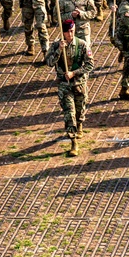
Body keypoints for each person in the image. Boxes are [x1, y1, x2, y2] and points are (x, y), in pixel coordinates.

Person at [46, 19, 94, 157]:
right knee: (69, 113)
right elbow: (49, 62)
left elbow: (90, 65)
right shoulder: (56, 46)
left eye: (72, 31)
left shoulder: (82, 45)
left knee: (80, 110)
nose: (70, 34)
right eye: (67, 32)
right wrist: (59, 51)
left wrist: (74, 73)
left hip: (79, 84)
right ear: (63, 32)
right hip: (64, 85)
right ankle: (73, 141)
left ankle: (79, 124)